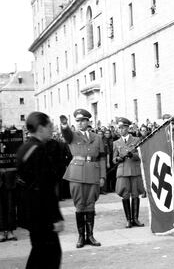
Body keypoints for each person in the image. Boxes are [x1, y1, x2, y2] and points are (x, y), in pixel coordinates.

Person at [16, 112, 64, 268]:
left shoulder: (24, 148)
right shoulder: (38, 150)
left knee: (39, 253)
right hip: (42, 215)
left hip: (30, 212)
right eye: (49, 126)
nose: (52, 129)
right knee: (51, 255)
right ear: (40, 128)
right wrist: (55, 217)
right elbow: (45, 188)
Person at [60, 109, 106, 248]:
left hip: (93, 172)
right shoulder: (72, 136)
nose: (80, 123)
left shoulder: (97, 137)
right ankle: (81, 237)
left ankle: (90, 236)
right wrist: (64, 125)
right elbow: (66, 134)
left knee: (91, 203)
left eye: (83, 120)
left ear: (88, 121)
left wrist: (102, 175)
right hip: (77, 174)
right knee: (79, 205)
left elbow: (102, 157)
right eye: (77, 121)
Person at [113, 117, 145, 228]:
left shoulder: (136, 140)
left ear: (127, 128)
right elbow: (113, 159)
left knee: (135, 194)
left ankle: (135, 218)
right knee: (125, 194)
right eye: (119, 128)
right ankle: (128, 220)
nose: (120, 130)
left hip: (134, 170)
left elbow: (141, 155)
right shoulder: (116, 142)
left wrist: (133, 155)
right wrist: (117, 159)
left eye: (123, 128)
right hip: (122, 171)